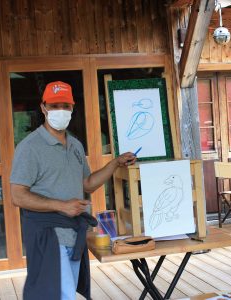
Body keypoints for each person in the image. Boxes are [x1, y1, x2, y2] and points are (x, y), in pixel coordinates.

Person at [10, 81, 136, 300]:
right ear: (43, 108)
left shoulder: (75, 145)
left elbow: (87, 183)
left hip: (73, 236)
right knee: (56, 296)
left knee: (64, 295)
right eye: (55, 105)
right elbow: (17, 195)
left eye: (65, 106)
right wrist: (61, 206)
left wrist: (115, 163)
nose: (61, 110)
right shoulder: (30, 147)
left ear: (72, 108)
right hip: (47, 237)